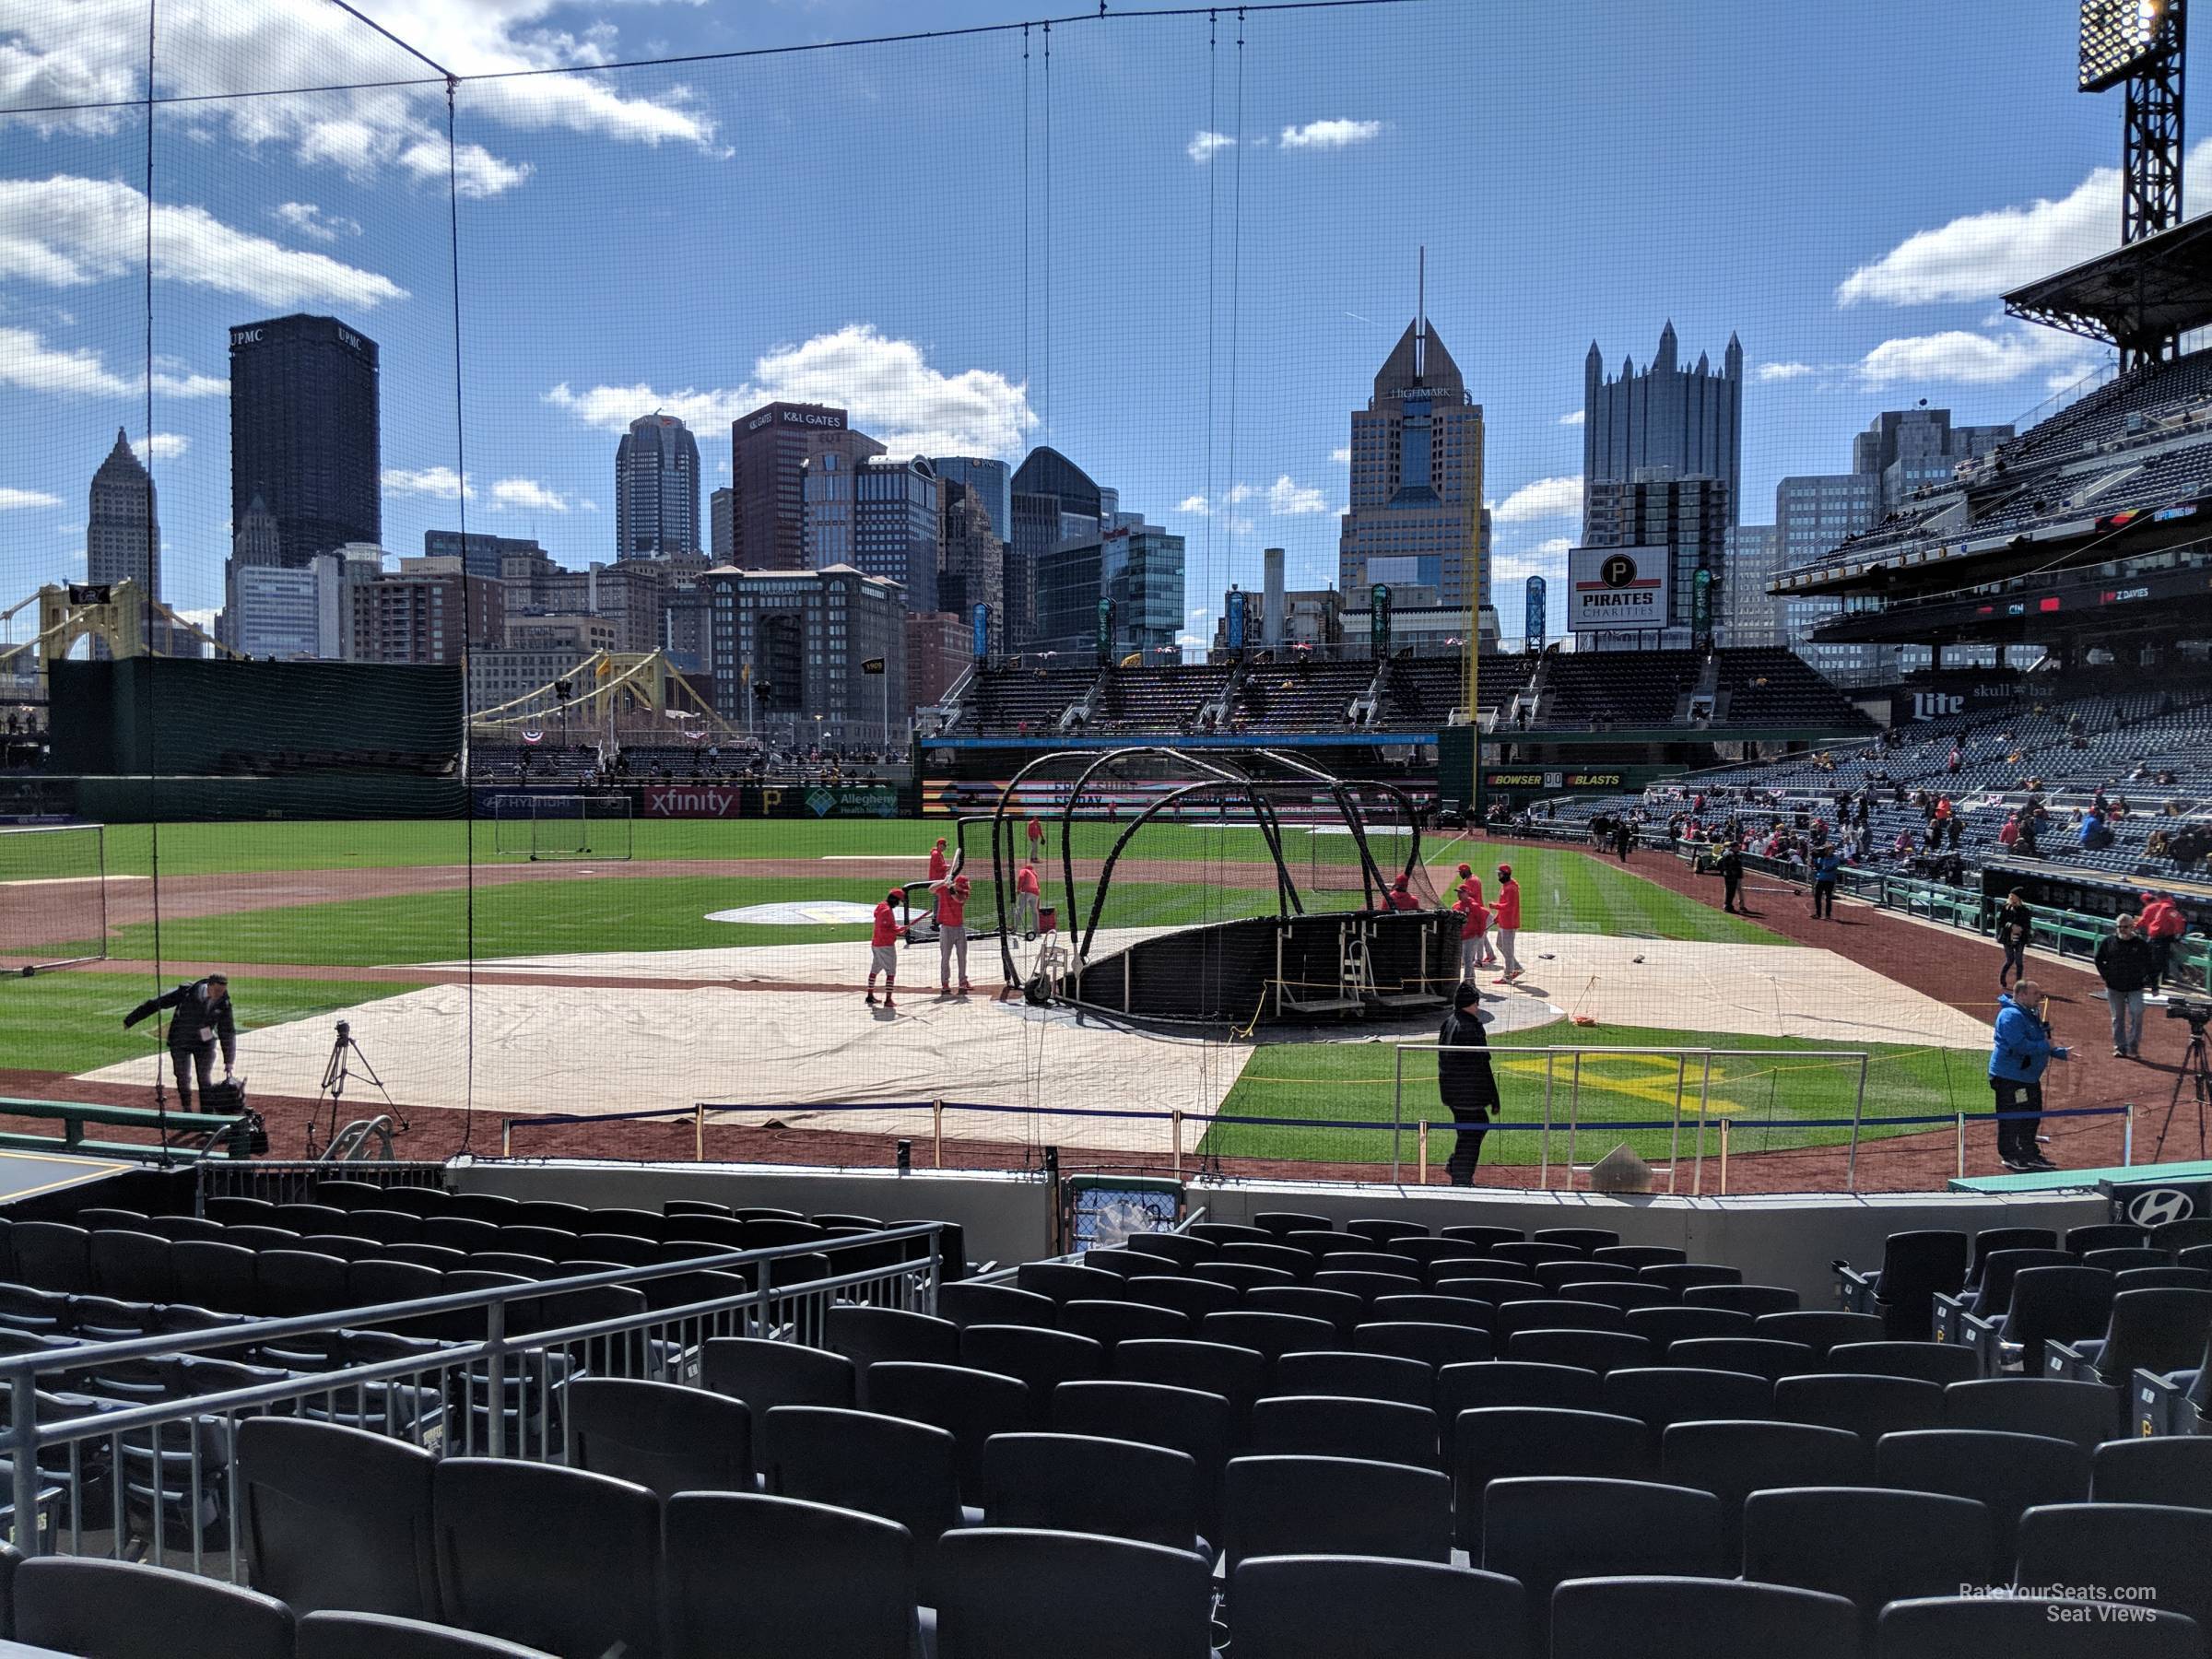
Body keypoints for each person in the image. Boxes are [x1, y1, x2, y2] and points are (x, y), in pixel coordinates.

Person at [1988, 978, 2068, 1172]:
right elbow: (2019, 1046)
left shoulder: (2031, 1014)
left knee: (2032, 1116)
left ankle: (2029, 1153)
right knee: (2012, 1117)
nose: (2040, 997)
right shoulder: (2010, 1016)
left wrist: (2061, 1052)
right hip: (2010, 1079)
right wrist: (2046, 1047)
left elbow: (2040, 1042)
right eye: (2035, 994)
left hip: (2027, 1078)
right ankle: (2010, 1155)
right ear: (2021, 994)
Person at [122, 974, 236, 1110]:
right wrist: (131, 1019)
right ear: (209, 986)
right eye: (217, 991)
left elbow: (227, 1031)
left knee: (204, 1079)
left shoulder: (224, 1003)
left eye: (222, 992)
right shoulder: (186, 992)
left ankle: (207, 1116)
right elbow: (157, 1003)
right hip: (181, 1040)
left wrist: (229, 1061)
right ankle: (186, 1109)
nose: (219, 995)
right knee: (182, 1078)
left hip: (204, 1043)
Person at [1436, 982, 1501, 1186]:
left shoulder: (1449, 1022)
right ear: (1472, 1003)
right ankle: (1461, 1175)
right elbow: (1483, 1065)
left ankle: (1457, 1166)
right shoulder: (1471, 1027)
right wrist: (1494, 1097)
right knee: (1474, 1131)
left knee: (1469, 1130)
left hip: (1451, 1091)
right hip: (1469, 1093)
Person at [2094, 914, 2154, 1060]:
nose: (2122, 929)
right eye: (2119, 927)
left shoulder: (2140, 944)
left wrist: (2150, 981)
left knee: (2137, 1012)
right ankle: (2120, 1048)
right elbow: (2099, 959)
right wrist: (2106, 976)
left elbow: (2150, 963)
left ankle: (2133, 1047)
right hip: (2114, 987)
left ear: (2132, 926)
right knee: (2117, 1018)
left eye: (2125, 927)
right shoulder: (2109, 941)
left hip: (2135, 986)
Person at [932, 873, 974, 994]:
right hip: (946, 929)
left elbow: (958, 900)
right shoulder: (944, 889)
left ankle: (963, 981)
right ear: (957, 884)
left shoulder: (963, 893)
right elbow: (931, 889)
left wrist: (950, 888)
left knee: (962, 957)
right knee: (945, 957)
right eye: (962, 887)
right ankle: (945, 983)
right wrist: (943, 881)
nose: (964, 890)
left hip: (959, 928)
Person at [865, 888, 905, 1011]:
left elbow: (887, 926)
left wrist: (898, 929)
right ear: (895, 899)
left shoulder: (881, 906)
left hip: (876, 943)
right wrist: (898, 931)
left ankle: (870, 995)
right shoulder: (887, 911)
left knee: (875, 969)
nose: (898, 904)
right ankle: (888, 1000)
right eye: (898, 901)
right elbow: (886, 930)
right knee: (891, 971)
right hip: (885, 946)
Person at [2140, 890, 2186, 992]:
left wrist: (2178, 934)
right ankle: (2152, 979)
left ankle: (2149, 981)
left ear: (2159, 898)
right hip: (2158, 938)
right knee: (2155, 960)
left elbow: (2179, 920)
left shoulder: (2167, 908)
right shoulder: (2163, 906)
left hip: (2161, 938)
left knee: (2157, 961)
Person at [1491, 864, 1523, 982]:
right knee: (1500, 944)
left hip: (1509, 923)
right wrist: (1498, 916)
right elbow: (1504, 903)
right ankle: (1517, 968)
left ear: (1505, 874)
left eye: (1500, 874)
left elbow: (1509, 906)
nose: (1498, 876)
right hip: (1503, 921)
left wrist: (1495, 906)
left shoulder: (1511, 888)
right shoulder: (1506, 885)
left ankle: (1508, 975)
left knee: (1508, 950)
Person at [1995, 889, 2031, 991]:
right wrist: (2011, 926)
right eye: (2010, 895)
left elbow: (2027, 924)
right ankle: (2002, 979)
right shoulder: (2006, 908)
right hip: (2007, 936)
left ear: (2018, 897)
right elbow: (2001, 922)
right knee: (2010, 960)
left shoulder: (2025, 910)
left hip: (2020, 937)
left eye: (2013, 895)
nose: (2010, 897)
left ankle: (2018, 984)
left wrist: (2021, 929)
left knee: (2019, 961)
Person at [1454, 891, 1492, 982]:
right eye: (1458, 893)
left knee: (1468, 959)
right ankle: (1471, 979)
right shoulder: (1455, 906)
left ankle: (1467, 981)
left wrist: (1480, 934)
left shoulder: (1474, 906)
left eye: (1461, 893)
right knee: (1466, 959)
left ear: (1467, 894)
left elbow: (1482, 920)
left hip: (1473, 936)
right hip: (1463, 936)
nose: (1459, 894)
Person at [1809, 842, 1841, 921]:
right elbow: (1817, 865)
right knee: (1817, 896)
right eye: (1828, 850)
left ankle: (1828, 915)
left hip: (1830, 880)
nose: (1830, 851)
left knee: (1828, 898)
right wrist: (1814, 860)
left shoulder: (1835, 858)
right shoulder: (1822, 857)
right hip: (1821, 879)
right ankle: (1818, 913)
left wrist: (1822, 866)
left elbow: (1829, 868)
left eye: (1831, 850)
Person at [1014, 859, 1041, 938]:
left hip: (1026, 891)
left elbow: (1021, 877)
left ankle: (1015, 928)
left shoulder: (1024, 870)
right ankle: (1037, 930)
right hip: (1035, 893)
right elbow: (1038, 885)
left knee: (1020, 909)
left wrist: (1018, 889)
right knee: (1035, 911)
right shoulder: (1034, 873)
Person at [1717, 841, 1745, 913]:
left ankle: (1728, 906)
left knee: (1730, 892)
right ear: (1734, 847)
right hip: (1731, 876)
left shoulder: (1728, 853)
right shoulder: (1730, 854)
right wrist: (1732, 872)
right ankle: (1728, 907)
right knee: (1730, 892)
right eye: (1737, 846)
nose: (1739, 847)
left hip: (1730, 875)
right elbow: (1730, 865)